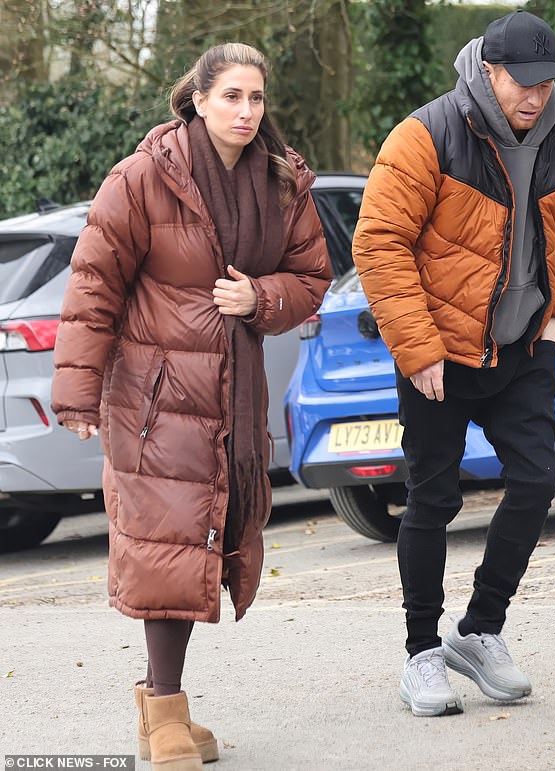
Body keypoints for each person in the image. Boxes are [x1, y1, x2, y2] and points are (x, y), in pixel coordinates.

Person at [51, 42, 331, 767]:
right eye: (231, 96)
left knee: (205, 539)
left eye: (256, 97)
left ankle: (157, 710)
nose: (246, 111)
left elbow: (311, 275)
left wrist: (259, 297)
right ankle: (167, 710)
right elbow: (92, 285)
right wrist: (77, 393)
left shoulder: (282, 179)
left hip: (234, 394)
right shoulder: (143, 176)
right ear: (198, 100)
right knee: (171, 546)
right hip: (156, 398)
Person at [352, 10, 555, 717]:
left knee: (536, 480)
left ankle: (479, 629)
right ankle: (421, 653)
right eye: (521, 81)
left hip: (524, 348)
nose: (535, 94)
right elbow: (379, 241)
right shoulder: (428, 134)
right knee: (432, 500)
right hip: (439, 351)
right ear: (488, 71)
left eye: (546, 82)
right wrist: (418, 349)